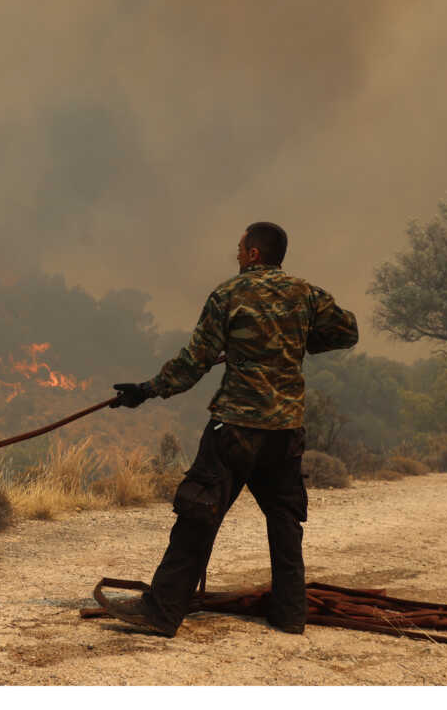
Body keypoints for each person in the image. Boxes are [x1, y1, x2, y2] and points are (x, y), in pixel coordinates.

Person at [105, 221, 358, 637]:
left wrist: (146, 391)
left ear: (254, 254)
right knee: (284, 522)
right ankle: (291, 615)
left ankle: (162, 611)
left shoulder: (229, 294)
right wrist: (299, 341)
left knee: (197, 516)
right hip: (286, 431)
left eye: (240, 249)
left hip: (237, 429)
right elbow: (348, 332)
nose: (237, 255)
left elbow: (194, 362)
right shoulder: (307, 294)